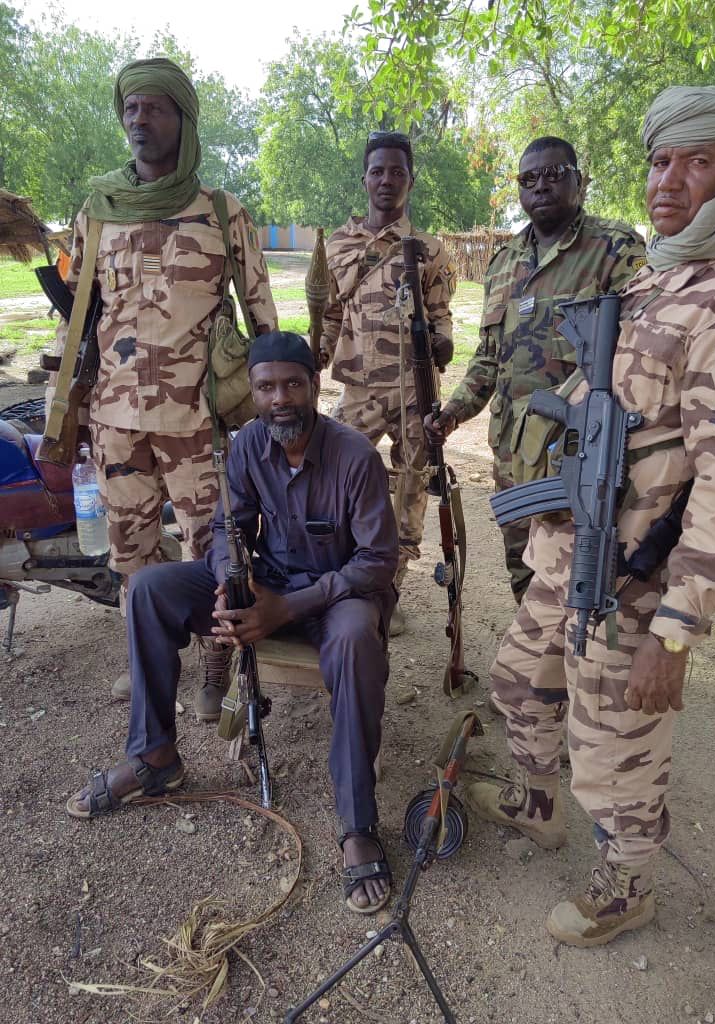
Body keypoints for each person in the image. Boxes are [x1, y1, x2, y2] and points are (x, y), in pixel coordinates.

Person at [464, 74, 715, 946]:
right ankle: (532, 799)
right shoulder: (659, 280)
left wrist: (676, 632)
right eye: (658, 161)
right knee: (518, 681)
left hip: (633, 580)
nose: (666, 182)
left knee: (615, 745)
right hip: (570, 548)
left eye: (693, 164)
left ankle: (627, 882)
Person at [66, 332, 399, 916]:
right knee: (148, 588)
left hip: (338, 596)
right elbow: (227, 527)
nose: (279, 399)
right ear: (254, 389)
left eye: (292, 384)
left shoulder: (356, 456)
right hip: (268, 582)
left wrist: (283, 608)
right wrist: (229, 580)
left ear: (314, 386)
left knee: (351, 640)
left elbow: (374, 563)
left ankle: (357, 824)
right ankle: (154, 757)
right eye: (266, 386)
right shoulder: (248, 446)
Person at [47, 58, 277, 710]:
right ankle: (151, 666)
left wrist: (274, 411)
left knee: (216, 553)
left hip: (198, 421)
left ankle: (216, 665)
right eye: (130, 109)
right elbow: (75, 315)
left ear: (184, 119)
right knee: (131, 553)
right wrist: (64, 400)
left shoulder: (224, 214)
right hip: (115, 419)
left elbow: (264, 321)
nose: (139, 120)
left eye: (154, 108)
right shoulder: (96, 212)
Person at [425, 137, 645, 603]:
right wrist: (453, 413)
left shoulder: (614, 247)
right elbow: (488, 358)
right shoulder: (504, 261)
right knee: (523, 568)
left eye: (554, 174)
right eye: (529, 179)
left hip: (576, 449)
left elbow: (637, 353)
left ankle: (576, 669)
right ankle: (535, 666)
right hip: (512, 451)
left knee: (578, 568)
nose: (540, 185)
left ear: (578, 181)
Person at [320, 130, 456, 634]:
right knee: (337, 480)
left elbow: (442, 316)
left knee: (411, 488)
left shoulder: (429, 250)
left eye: (397, 171)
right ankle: (337, 578)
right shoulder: (337, 244)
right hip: (358, 389)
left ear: (410, 181)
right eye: (378, 171)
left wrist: (441, 343)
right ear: (364, 179)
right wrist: (315, 353)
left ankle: (389, 590)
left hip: (416, 391)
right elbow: (329, 315)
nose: (387, 180)